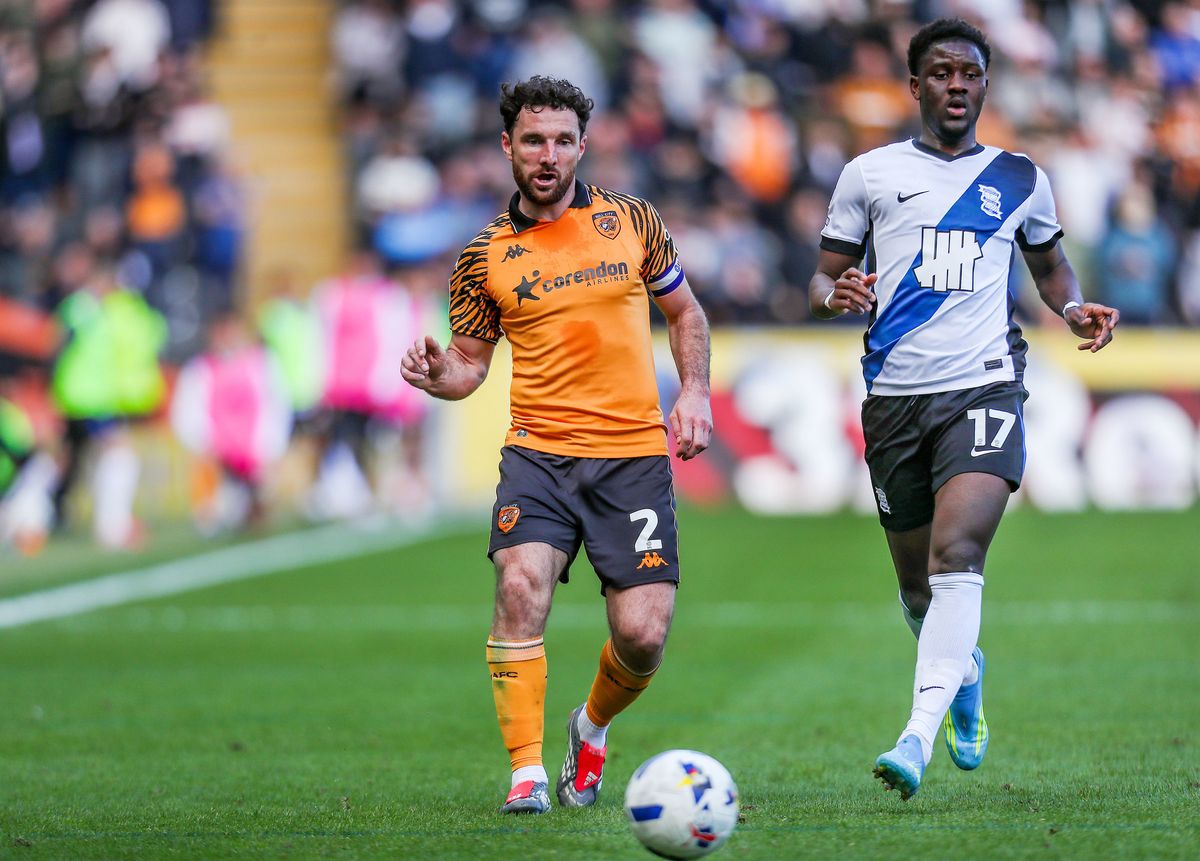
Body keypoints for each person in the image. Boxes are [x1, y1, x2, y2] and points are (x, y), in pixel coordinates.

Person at [810, 18, 1118, 800]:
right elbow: (821, 279)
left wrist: (1074, 307)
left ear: (985, 85)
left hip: (985, 385)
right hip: (894, 400)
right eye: (940, 72)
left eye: (969, 73)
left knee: (958, 559)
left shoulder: (1020, 177)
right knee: (918, 589)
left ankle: (915, 736)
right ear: (914, 86)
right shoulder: (869, 175)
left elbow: (1051, 266)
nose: (955, 84)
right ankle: (966, 681)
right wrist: (835, 293)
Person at [401, 75, 712, 815]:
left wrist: (694, 389)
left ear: (583, 145)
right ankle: (526, 773)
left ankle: (591, 725)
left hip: (632, 455)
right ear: (507, 145)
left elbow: (685, 311)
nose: (549, 155)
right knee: (517, 588)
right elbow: (470, 365)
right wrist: (443, 373)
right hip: (539, 454)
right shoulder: (482, 257)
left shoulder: (632, 219)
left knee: (642, 636)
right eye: (533, 140)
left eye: (563, 140)